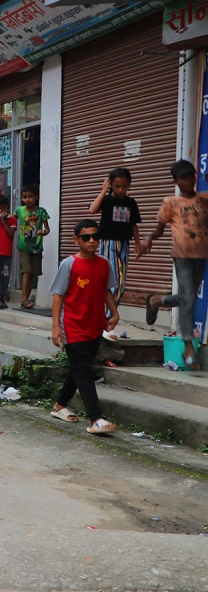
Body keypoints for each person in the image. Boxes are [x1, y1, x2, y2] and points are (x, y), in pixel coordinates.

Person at [49, 219, 119, 435]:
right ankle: (96, 417)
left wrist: (114, 312)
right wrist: (55, 327)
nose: (92, 241)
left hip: (95, 325)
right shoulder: (69, 264)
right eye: (86, 237)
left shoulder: (104, 264)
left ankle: (60, 404)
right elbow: (58, 296)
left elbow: (107, 290)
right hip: (72, 325)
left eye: (95, 236)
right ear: (76, 239)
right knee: (84, 370)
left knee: (80, 368)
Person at [141, 160, 208, 370]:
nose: (189, 180)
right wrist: (149, 239)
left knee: (187, 298)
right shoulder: (171, 202)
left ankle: (156, 301)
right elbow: (160, 229)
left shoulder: (205, 200)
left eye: (192, 176)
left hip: (201, 256)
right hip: (182, 256)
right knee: (188, 299)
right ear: (176, 181)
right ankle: (188, 346)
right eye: (184, 177)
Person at [88, 167, 142, 313]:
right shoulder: (106, 200)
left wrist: (138, 243)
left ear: (129, 185)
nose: (120, 190)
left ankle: (106, 314)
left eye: (124, 186)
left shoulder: (131, 203)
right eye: (117, 186)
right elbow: (92, 210)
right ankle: (106, 316)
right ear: (111, 184)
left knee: (120, 283)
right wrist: (104, 190)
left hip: (124, 243)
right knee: (114, 282)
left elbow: (133, 225)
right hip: (108, 243)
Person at [15, 185, 50, 309]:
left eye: (30, 197)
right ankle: (24, 299)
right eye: (25, 197)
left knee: (33, 273)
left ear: (36, 197)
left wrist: (43, 232)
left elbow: (47, 229)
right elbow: (12, 221)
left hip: (37, 246)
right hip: (23, 245)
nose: (28, 199)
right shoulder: (19, 210)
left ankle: (27, 299)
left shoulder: (41, 211)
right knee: (27, 271)